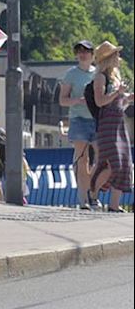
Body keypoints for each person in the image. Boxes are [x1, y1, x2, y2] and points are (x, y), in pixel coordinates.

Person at [87, 41, 132, 211]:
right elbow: (100, 101)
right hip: (107, 125)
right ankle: (93, 194)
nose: (119, 58)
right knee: (112, 163)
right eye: (116, 55)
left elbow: (119, 101)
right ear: (109, 58)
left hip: (119, 124)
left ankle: (114, 205)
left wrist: (127, 97)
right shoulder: (100, 77)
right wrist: (117, 93)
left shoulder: (115, 76)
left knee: (124, 164)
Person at [60, 41, 98, 208]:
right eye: (79, 51)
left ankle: (93, 192)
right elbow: (62, 100)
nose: (82, 54)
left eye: (86, 51)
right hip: (79, 120)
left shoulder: (98, 73)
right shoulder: (71, 74)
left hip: (97, 120)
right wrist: (78, 100)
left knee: (102, 159)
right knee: (82, 160)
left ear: (92, 55)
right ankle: (83, 199)